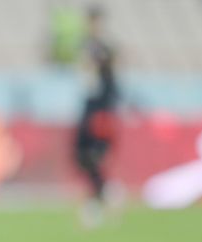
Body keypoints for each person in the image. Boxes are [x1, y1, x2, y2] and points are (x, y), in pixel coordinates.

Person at [74, 5, 120, 227]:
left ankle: (100, 198)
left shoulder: (104, 49)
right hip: (89, 107)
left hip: (101, 109)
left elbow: (109, 80)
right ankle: (105, 193)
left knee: (93, 155)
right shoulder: (86, 46)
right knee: (82, 156)